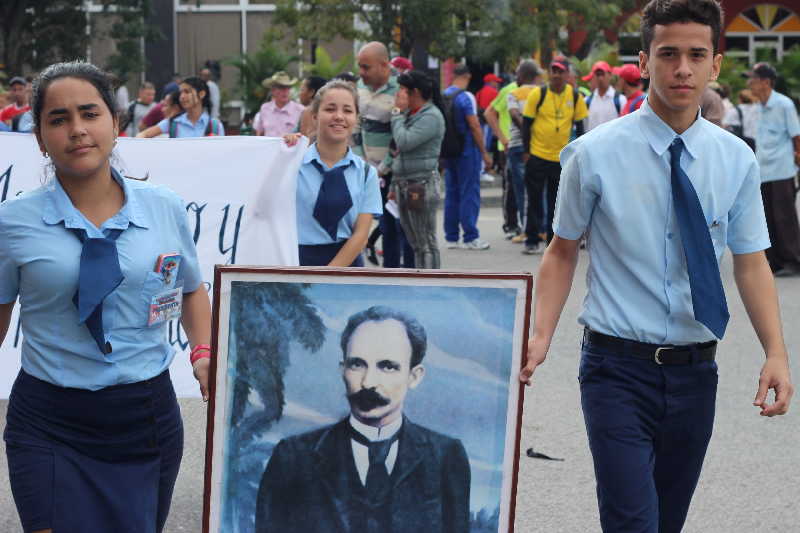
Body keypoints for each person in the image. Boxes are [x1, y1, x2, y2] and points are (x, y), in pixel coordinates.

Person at [520, 2, 794, 532]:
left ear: (716, 63)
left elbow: (751, 262)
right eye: (668, 54)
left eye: (696, 55)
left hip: (696, 372)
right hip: (615, 369)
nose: (683, 69)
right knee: (632, 523)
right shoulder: (593, 154)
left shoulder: (736, 158)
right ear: (645, 61)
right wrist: (540, 331)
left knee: (666, 522)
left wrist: (776, 352)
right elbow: (561, 249)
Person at [0, 60, 213, 533]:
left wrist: (203, 353)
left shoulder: (165, 207)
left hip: (145, 422)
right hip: (48, 424)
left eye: (89, 114)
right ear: (39, 137)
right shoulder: (12, 223)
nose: (77, 130)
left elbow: (192, 289)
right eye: (59, 119)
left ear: (115, 124)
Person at [255, 305, 470, 533]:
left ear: (414, 376)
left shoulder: (446, 457)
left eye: (387, 367)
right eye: (357, 364)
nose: (368, 382)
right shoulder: (293, 458)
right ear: (342, 370)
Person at [285, 80, 382, 267]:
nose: (339, 116)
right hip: (295, 263)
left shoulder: (366, 174)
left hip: (346, 266)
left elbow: (361, 235)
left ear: (356, 118)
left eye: (347, 110)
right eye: (330, 109)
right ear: (314, 116)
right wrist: (278, 152)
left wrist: (327, 275)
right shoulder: (291, 165)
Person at [519, 56, 588, 254]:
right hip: (537, 155)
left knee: (556, 202)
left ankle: (551, 240)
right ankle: (531, 239)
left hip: (560, 159)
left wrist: (579, 155)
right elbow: (526, 123)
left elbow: (581, 128)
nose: (556, 75)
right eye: (553, 71)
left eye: (560, 71)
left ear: (567, 74)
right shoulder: (537, 94)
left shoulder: (575, 97)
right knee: (533, 199)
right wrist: (525, 152)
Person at [355, 41, 412, 268]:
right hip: (367, 170)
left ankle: (409, 277)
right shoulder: (359, 88)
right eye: (360, 66)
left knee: (400, 227)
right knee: (384, 227)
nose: (361, 72)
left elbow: (400, 135)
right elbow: (356, 127)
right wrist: (362, 161)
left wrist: (383, 167)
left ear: (384, 65)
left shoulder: (401, 90)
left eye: (366, 67)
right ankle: (388, 275)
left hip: (393, 171)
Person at [747, 61, 800, 276]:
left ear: (765, 82)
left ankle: (794, 260)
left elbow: (796, 136)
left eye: (753, 79)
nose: (750, 83)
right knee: (767, 216)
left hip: (782, 169)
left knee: (784, 216)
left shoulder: (784, 104)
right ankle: (775, 260)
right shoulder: (758, 106)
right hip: (763, 170)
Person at [389, 71, 446, 269]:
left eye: (403, 89)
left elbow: (404, 142)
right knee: (415, 242)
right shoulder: (410, 115)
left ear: (415, 92)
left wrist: (396, 113)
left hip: (421, 185)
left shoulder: (431, 117)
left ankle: (432, 283)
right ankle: (422, 279)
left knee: (426, 241)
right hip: (404, 183)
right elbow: (396, 152)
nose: (398, 94)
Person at [442, 64, 493, 250]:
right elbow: (474, 125)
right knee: (469, 193)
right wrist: (484, 153)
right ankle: (471, 236)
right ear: (467, 76)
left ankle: (451, 237)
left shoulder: (443, 95)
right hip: (467, 152)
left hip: (448, 152)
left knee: (452, 193)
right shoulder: (466, 97)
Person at [489, 60, 541, 242]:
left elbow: (494, 113)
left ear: (522, 75)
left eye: (517, 73)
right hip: (538, 146)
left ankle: (526, 229)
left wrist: (509, 138)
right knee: (538, 190)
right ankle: (540, 227)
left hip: (517, 146)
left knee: (521, 191)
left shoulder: (513, 93)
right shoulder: (541, 93)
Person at [137, 77, 223, 138]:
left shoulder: (215, 126)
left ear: (201, 94)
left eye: (187, 92)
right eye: (181, 92)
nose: (182, 96)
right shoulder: (172, 123)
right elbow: (143, 135)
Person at [254, 71, 304, 138]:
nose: (285, 91)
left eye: (288, 87)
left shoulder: (301, 110)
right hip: (269, 148)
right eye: (281, 87)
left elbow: (305, 135)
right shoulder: (265, 108)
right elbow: (260, 133)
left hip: (291, 148)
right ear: (273, 90)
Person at [583, 61, 626, 131]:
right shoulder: (587, 101)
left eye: (602, 74)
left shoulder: (620, 100)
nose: (600, 78)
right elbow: (584, 128)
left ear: (610, 75)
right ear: (593, 77)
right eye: (597, 75)